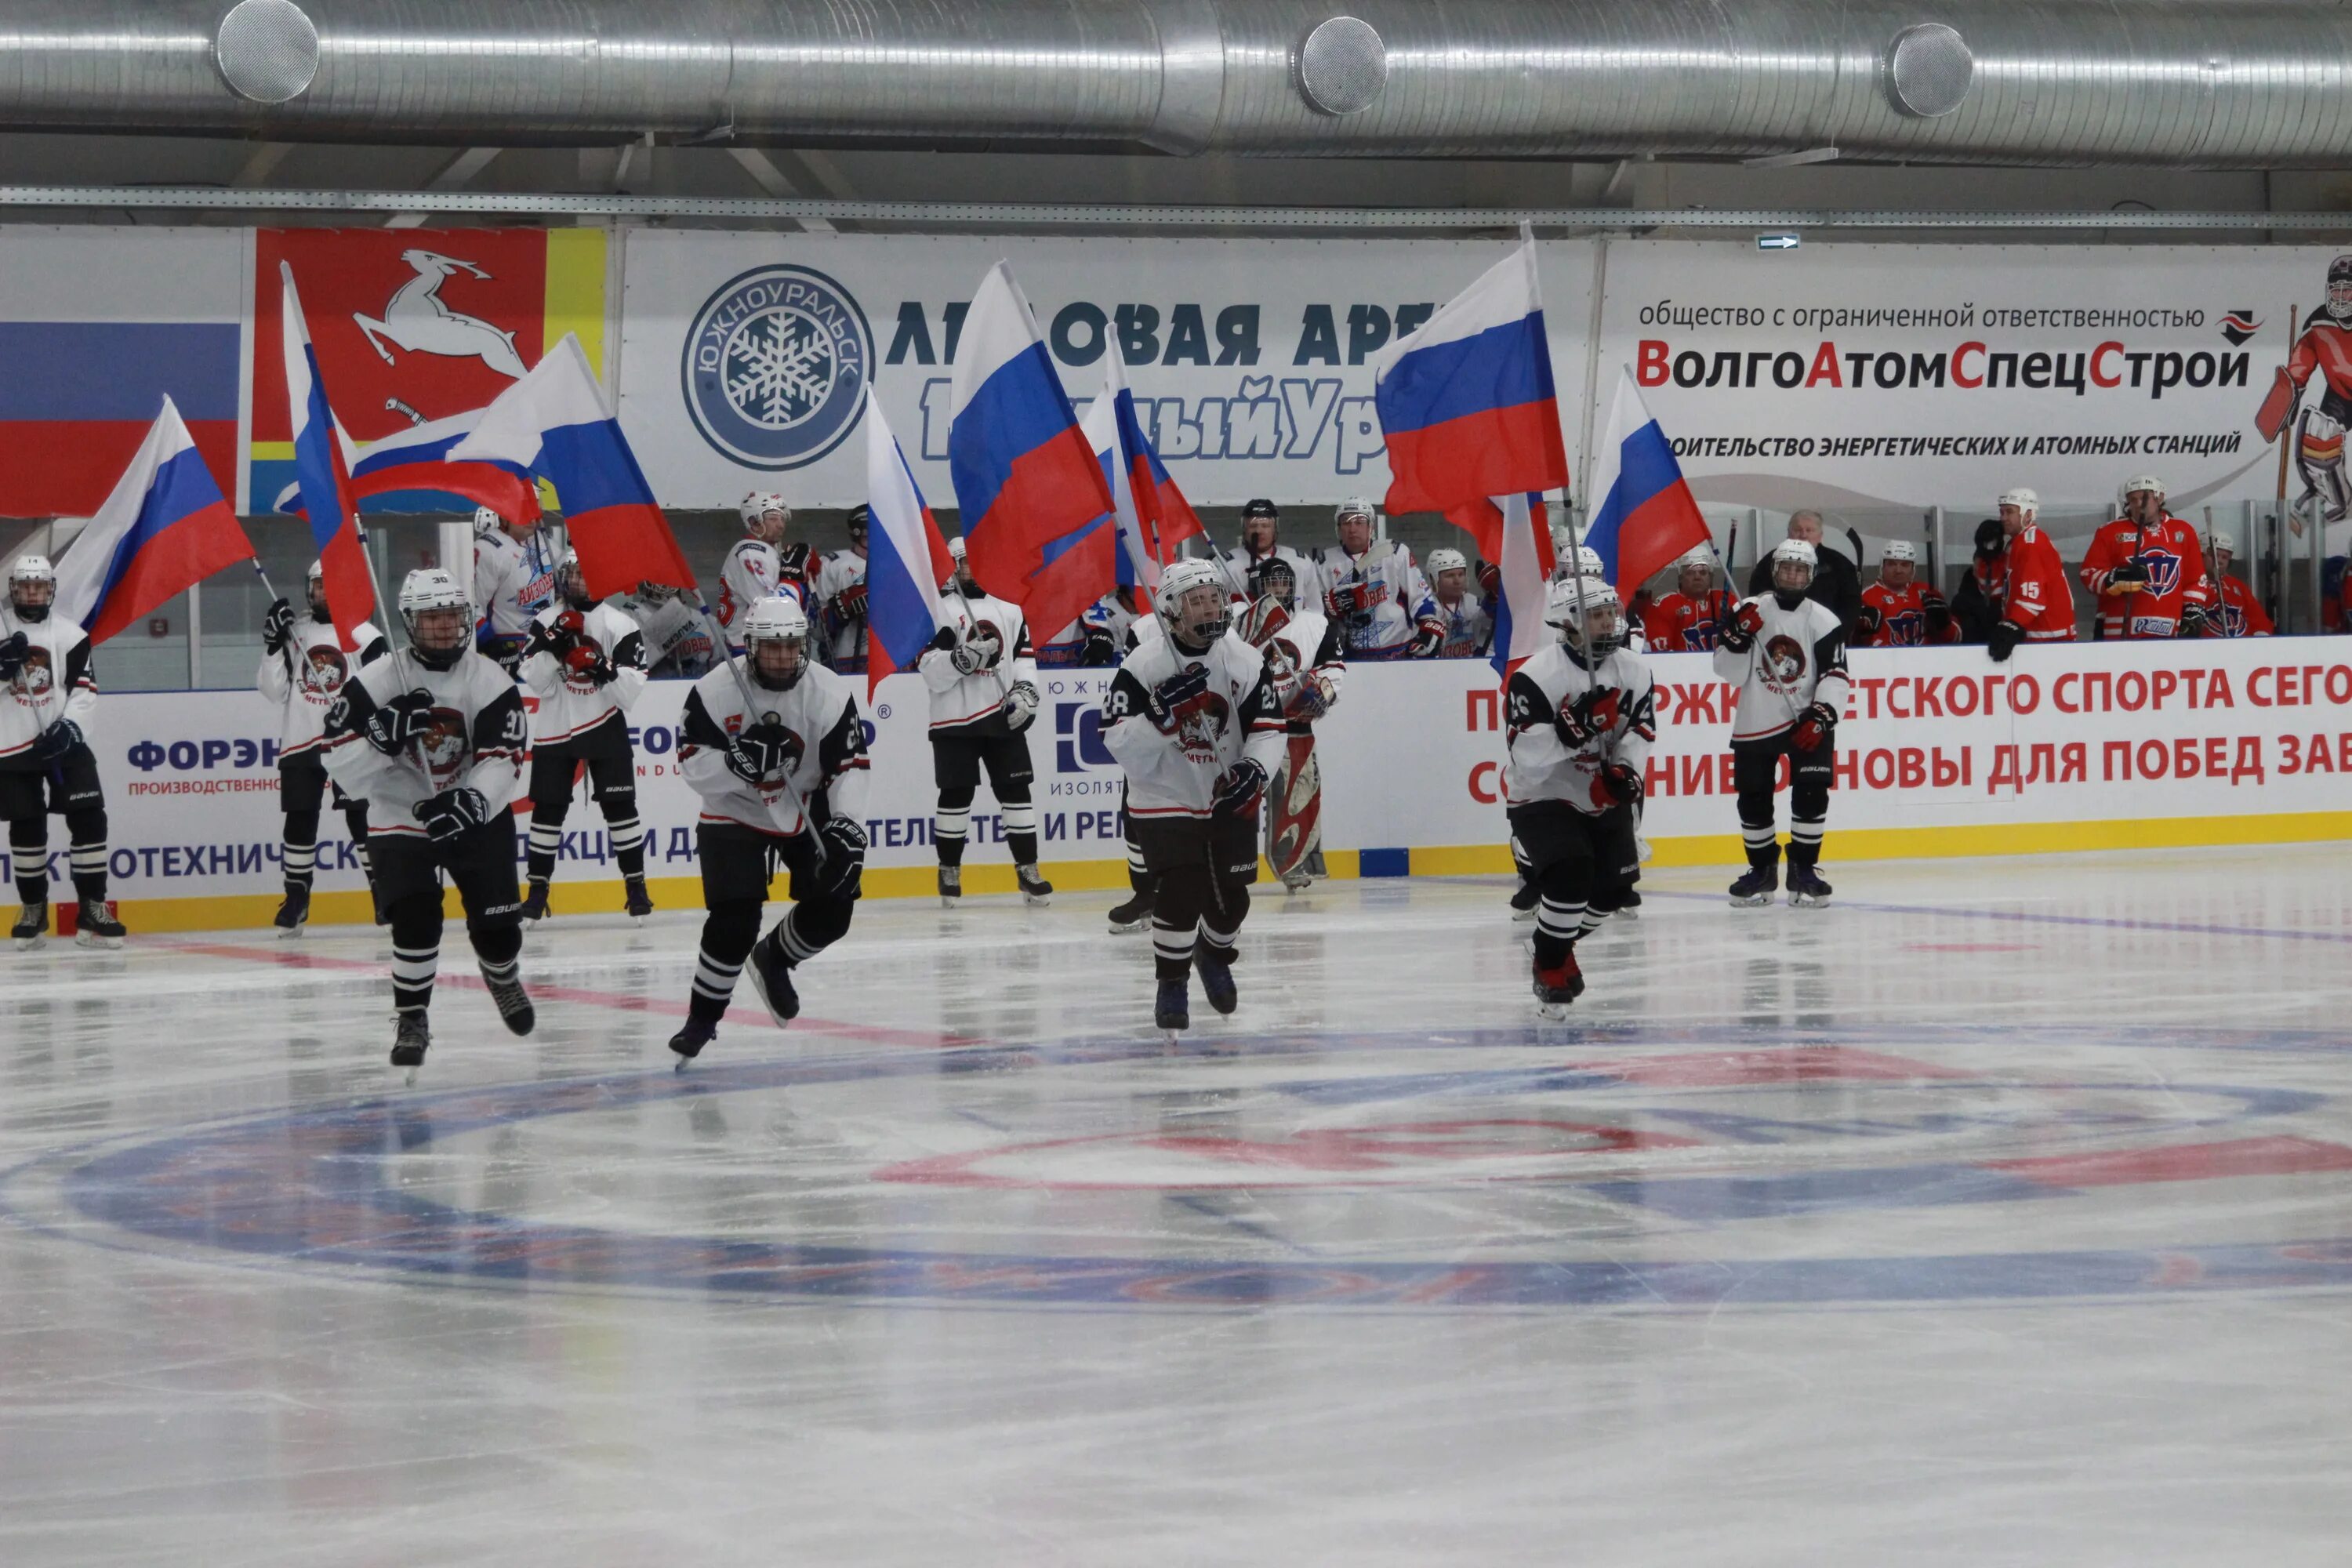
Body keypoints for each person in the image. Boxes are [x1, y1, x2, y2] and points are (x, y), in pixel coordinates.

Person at [321, 568, 534, 1072]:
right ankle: (413, 1016)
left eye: (451, 616)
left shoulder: (489, 679)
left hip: (475, 815)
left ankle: (501, 974)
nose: (443, 627)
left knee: (500, 928)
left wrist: (471, 802)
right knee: (415, 921)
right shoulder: (376, 681)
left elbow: (502, 757)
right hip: (400, 815)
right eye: (431, 617)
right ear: (409, 623)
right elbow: (335, 761)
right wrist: (380, 740)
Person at [668, 595, 869, 1062]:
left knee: (836, 904)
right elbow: (692, 764)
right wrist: (736, 765)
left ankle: (775, 958)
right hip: (733, 808)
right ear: (750, 645)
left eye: (792, 645)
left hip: (805, 803)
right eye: (772, 647)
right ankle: (701, 1019)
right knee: (733, 921)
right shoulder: (717, 690)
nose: (783, 657)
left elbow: (850, 768)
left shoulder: (830, 692)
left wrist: (847, 827)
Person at [1100, 558, 1286, 1034]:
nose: (1209, 607)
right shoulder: (1143, 665)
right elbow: (1117, 741)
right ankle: (1172, 983)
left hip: (1225, 794)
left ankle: (1212, 952)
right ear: (1171, 611)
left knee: (1232, 903)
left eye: (1213, 597)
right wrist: (1159, 718)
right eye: (1195, 600)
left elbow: (1268, 728)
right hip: (1164, 794)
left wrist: (1255, 771)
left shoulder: (1244, 660)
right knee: (1181, 891)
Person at [1503, 577, 1654, 1015]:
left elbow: (1640, 732)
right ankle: (1549, 964)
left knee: (1613, 889)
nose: (1607, 622)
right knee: (1571, 876)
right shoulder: (1535, 676)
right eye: (1594, 614)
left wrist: (1624, 772)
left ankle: (1554, 941)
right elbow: (1528, 757)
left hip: (1599, 796)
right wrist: (1574, 730)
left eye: (1610, 612)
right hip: (1542, 795)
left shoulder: (1636, 669)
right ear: (1567, 621)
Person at [517, 550, 652, 922]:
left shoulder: (620, 625)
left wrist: (603, 667)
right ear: (562, 578)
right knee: (547, 810)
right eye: (574, 574)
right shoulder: (545, 620)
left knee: (621, 809)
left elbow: (629, 692)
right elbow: (535, 681)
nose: (581, 582)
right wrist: (554, 645)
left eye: (587, 574)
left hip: (604, 722)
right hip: (556, 726)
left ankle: (636, 887)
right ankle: (537, 890)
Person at [1718, 539, 1850, 909]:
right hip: (1756, 720)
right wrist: (1737, 637)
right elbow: (1727, 673)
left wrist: (1822, 717)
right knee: (1753, 797)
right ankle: (1761, 871)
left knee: (1812, 794)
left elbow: (1836, 674)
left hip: (1806, 721)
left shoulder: (1824, 620)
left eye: (1800, 569)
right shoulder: (1750, 609)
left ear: (1809, 576)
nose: (1792, 575)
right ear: (1775, 571)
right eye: (1787, 568)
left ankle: (1804, 870)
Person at [258, 559, 388, 935]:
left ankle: (382, 892)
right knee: (299, 820)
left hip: (349, 742)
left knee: (361, 817)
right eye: (318, 586)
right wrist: (271, 646)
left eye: (331, 586)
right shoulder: (293, 631)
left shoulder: (364, 633)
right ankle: (297, 898)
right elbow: (274, 691)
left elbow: (382, 687)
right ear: (307, 589)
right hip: (301, 739)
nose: (323, 593)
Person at [918, 537, 1050, 906]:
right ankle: (949, 870)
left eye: (978, 562)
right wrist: (962, 659)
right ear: (952, 567)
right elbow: (930, 670)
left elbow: (1024, 659)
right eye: (964, 563)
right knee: (956, 794)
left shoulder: (1010, 609)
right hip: (953, 720)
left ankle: (1028, 869)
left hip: (1001, 715)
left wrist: (1025, 694)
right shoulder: (940, 612)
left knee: (1017, 794)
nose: (971, 570)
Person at [2, 554, 124, 950]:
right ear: (14, 589)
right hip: (13, 744)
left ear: (51, 590)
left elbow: (85, 691)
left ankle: (92, 907)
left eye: (39, 587)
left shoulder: (71, 635)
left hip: (64, 743)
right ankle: (33, 909)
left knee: (90, 818)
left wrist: (69, 728)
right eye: (25, 587)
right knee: (27, 827)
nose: (32, 594)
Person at [1233, 555, 1346, 891]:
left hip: (1295, 723)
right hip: (1249, 726)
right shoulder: (1239, 622)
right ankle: (1233, 863)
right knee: (1240, 798)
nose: (1278, 589)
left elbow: (1333, 667)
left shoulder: (1315, 623)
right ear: (1257, 586)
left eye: (1284, 582)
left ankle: (1295, 864)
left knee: (1299, 792)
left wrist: (1322, 692)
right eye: (1271, 583)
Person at [2081, 475, 2212, 641]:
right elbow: (2088, 574)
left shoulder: (2183, 531)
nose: (2138, 504)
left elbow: (2195, 580)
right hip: (2120, 631)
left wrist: (2193, 611)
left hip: (2171, 628)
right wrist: (2114, 578)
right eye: (2133, 500)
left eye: (2144, 498)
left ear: (2160, 497)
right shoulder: (2110, 532)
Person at [1315, 497, 1443, 659]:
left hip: (1398, 652)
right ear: (1338, 528)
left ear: (1371, 527)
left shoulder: (1394, 552)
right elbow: (1312, 612)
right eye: (1346, 522)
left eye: (1359, 521)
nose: (1353, 529)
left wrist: (1428, 624)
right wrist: (1328, 608)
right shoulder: (1324, 563)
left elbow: (1419, 596)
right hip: (1348, 656)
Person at [1989, 487, 2076, 659]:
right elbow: (1996, 589)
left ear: (2028, 515)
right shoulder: (2016, 544)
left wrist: (2012, 625)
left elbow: (2032, 597)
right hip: (2039, 637)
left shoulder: (2031, 544)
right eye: (2001, 512)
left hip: (2049, 639)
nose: (2003, 518)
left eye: (2009, 512)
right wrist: (1987, 554)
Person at [470, 504, 559, 672]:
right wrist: (490, 644)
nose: (531, 519)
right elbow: (472, 606)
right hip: (506, 651)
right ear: (504, 515)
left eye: (534, 512)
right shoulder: (489, 549)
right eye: (523, 512)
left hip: (544, 649)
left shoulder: (542, 541)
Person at [717, 492, 806, 655]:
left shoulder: (767, 552)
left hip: (764, 644)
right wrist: (794, 580)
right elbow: (769, 608)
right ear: (754, 522)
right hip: (747, 648)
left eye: (782, 519)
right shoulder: (750, 552)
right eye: (773, 519)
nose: (781, 525)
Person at [1746, 510, 1862, 631]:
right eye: (1798, 530)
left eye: (1809, 530)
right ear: (1789, 533)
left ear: (1820, 536)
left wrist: (1836, 634)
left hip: (1825, 633)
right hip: (1778, 634)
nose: (1803, 535)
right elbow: (1757, 599)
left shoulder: (1840, 564)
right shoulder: (1770, 561)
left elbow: (1851, 606)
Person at [1217, 498, 1324, 607]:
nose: (1259, 531)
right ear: (1244, 530)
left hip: (1293, 623)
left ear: (1275, 528)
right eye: (1253, 526)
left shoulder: (1301, 562)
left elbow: (1315, 609)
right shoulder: (1224, 564)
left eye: (1265, 526)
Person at [1857, 541, 1956, 647]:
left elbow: (1956, 640)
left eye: (1905, 565)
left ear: (1913, 569)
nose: (1898, 570)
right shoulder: (1868, 596)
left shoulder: (1928, 592)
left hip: (1927, 660)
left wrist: (1945, 625)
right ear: (1882, 567)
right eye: (1892, 564)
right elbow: (1855, 644)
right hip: (1886, 661)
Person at [812, 504, 870, 675]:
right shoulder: (833, 564)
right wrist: (840, 609)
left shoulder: (901, 564)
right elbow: (816, 629)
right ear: (856, 535)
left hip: (893, 660)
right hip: (846, 660)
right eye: (869, 537)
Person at [1642, 546, 1738, 651]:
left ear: (1711, 577)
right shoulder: (1664, 605)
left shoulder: (1728, 600)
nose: (1697, 577)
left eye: (1703, 572)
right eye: (1690, 572)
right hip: (1681, 666)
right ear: (1680, 578)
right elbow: (1661, 656)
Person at [619, 579, 716, 679]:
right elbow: (629, 664)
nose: (663, 580)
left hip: (694, 687)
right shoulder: (632, 614)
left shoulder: (704, 620)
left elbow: (718, 664)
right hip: (656, 689)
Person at [2201, 532, 2275, 637]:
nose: (2220, 561)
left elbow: (2259, 620)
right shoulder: (2191, 586)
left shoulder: (2237, 586)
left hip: (2243, 649)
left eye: (2225, 557)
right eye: (2215, 555)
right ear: (2201, 555)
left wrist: (2260, 641)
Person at [1423, 547, 1493, 658]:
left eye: (1461, 574)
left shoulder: (1474, 603)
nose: (1457, 581)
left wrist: (1494, 598)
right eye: (1450, 576)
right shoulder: (1426, 608)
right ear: (1433, 578)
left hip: (1470, 668)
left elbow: (1493, 624)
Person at [1949, 517, 2009, 644]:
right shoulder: (1971, 576)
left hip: (2005, 639)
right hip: (1975, 646)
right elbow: (1961, 611)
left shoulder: (2009, 569)